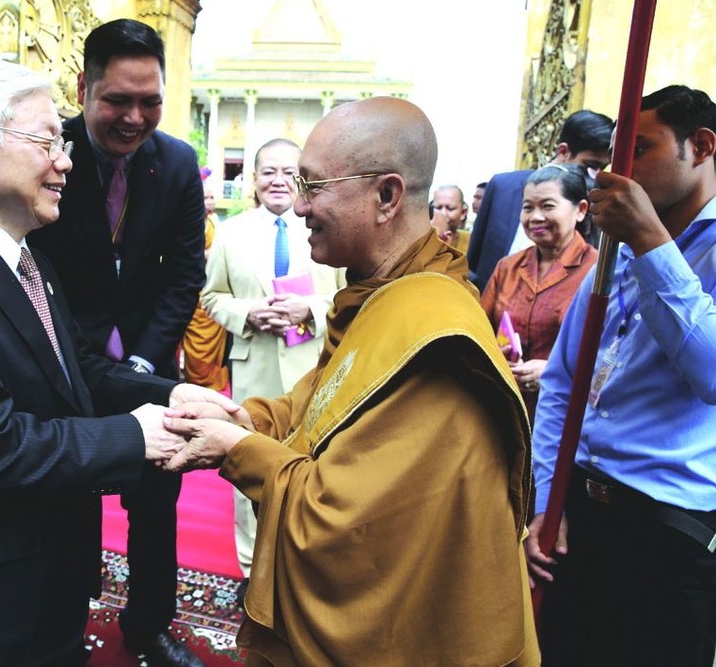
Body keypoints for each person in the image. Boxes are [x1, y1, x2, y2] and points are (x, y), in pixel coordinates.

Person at [0, 58, 231, 667]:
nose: (65, 162)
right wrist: (134, 436)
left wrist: (168, 395)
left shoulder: (28, 257)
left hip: (46, 577)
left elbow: (77, 369)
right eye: (47, 142)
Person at [163, 96, 539, 666]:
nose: (299, 206)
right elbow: (323, 399)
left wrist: (237, 450)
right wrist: (248, 419)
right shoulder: (383, 291)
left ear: (386, 196)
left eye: (313, 186)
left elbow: (339, 523)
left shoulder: (436, 337)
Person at [25, 19, 206, 667]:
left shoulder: (176, 163)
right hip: (64, 363)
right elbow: (34, 267)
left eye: (149, 101)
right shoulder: (50, 155)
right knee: (66, 503)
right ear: (84, 89)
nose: (134, 118)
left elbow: (184, 274)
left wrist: (141, 363)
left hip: (151, 364)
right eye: (118, 101)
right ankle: (61, 630)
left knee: (157, 505)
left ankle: (150, 625)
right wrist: (81, 362)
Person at [526, 85, 716, 667]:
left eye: (641, 149)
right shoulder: (617, 253)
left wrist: (652, 240)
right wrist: (547, 499)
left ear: (701, 147)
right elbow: (563, 383)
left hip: (668, 532)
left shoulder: (659, 246)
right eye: (613, 155)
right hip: (580, 518)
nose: (619, 171)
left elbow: (711, 372)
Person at [200, 137, 344, 602]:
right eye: (268, 172)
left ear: (302, 180)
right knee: (249, 463)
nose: (278, 181)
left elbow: (349, 294)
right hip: (254, 367)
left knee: (316, 468)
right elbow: (211, 296)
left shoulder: (328, 227)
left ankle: (306, 566)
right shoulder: (231, 232)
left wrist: (310, 310)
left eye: (288, 172)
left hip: (315, 367)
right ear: (254, 179)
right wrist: (247, 314)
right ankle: (251, 569)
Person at [480, 164, 598, 420]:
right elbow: (479, 331)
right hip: (505, 407)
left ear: (580, 210)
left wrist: (554, 371)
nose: (535, 217)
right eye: (528, 207)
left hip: (564, 414)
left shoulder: (598, 272)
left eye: (547, 206)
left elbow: (612, 354)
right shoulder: (507, 267)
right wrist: (495, 354)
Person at [468, 109, 614, 290]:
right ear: (563, 152)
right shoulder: (503, 187)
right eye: (591, 166)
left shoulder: (591, 208)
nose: (596, 176)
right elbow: (472, 263)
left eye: (602, 168)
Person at [181, 178, 229, 392]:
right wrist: (212, 253)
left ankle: (217, 386)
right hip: (196, 291)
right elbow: (187, 254)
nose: (209, 201)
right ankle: (197, 387)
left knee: (217, 347)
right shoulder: (192, 223)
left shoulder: (213, 221)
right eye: (205, 197)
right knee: (198, 346)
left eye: (212, 197)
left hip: (213, 287)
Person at [430, 183, 471, 252]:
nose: (443, 213)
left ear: (463, 213)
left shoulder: (471, 241)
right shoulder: (422, 239)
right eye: (438, 208)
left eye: (450, 208)